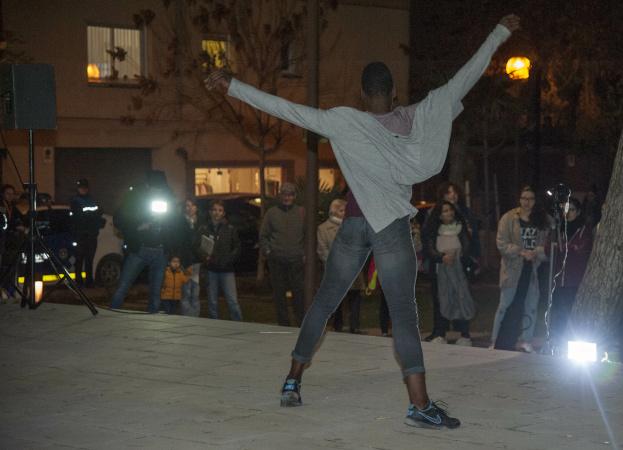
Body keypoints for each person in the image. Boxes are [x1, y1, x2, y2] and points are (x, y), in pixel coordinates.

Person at [205, 14, 519, 430]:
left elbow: (286, 109)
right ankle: (419, 406)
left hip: (353, 225)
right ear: (391, 93)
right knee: (404, 315)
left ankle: (291, 382)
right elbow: (468, 75)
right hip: (390, 229)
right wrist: (498, 33)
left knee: (324, 303)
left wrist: (232, 86)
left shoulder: (343, 121)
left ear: (361, 94)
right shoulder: (420, 118)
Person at [109, 170, 181, 313]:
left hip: (161, 252)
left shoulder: (169, 198)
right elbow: (118, 220)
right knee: (123, 286)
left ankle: (151, 325)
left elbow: (176, 226)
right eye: (155, 189)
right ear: (148, 185)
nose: (158, 192)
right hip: (139, 251)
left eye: (160, 189)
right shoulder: (135, 197)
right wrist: (138, 226)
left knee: (155, 294)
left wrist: (165, 227)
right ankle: (110, 317)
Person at [490, 186, 549, 352]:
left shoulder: (544, 220)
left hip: (534, 270)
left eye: (530, 199)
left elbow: (548, 246)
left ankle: (526, 340)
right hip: (513, 269)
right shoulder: (509, 218)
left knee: (531, 306)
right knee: (505, 305)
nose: (527, 202)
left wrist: (535, 252)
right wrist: (519, 251)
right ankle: (496, 340)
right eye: (524, 198)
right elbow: (501, 243)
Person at [423, 180, 481, 342]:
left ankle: (463, 334)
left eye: (454, 191)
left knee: (461, 296)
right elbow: (428, 241)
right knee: (441, 298)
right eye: (448, 192)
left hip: (459, 266)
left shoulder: (464, 216)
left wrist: (468, 258)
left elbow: (471, 240)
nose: (452, 194)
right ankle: (439, 332)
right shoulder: (433, 218)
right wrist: (438, 257)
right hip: (440, 266)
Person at [544, 197, 593, 344]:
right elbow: (548, 249)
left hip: (576, 281)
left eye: (571, 209)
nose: (568, 213)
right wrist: (570, 248)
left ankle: (573, 344)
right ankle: (558, 344)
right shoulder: (558, 229)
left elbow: (582, 252)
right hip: (559, 282)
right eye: (565, 209)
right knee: (560, 314)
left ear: (578, 212)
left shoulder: (584, 231)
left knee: (575, 315)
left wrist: (562, 248)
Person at [258, 182, 305, 327]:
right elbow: (263, 235)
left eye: (290, 195)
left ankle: (301, 322)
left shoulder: (302, 212)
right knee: (279, 294)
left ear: (294, 196)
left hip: (296, 260)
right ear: (280, 195)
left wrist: (305, 253)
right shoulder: (272, 213)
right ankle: (284, 324)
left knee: (298, 294)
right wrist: (268, 250)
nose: (287, 197)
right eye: (284, 194)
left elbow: (309, 234)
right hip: (277, 259)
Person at [318, 199, 366, 334]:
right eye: (341, 210)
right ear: (334, 211)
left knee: (355, 298)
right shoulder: (323, 229)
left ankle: (355, 327)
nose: (344, 212)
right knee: (337, 301)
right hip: (337, 272)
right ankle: (337, 326)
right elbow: (323, 251)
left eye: (345, 210)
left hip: (353, 270)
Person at [197, 199, 243, 321]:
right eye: (214, 210)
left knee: (232, 301)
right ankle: (214, 326)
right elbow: (198, 247)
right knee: (212, 301)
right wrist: (204, 255)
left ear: (224, 213)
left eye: (220, 210)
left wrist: (229, 259)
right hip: (211, 269)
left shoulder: (230, 229)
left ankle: (240, 326)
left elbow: (237, 248)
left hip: (227, 270)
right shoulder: (204, 229)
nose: (217, 213)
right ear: (210, 212)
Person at [69, 179, 105, 288]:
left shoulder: (92, 200)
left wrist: (89, 215)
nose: (83, 189)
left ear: (87, 188)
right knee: (79, 260)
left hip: (91, 235)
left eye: (85, 187)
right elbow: (77, 218)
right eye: (81, 187)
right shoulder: (75, 201)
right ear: (78, 188)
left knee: (89, 260)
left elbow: (100, 212)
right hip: (80, 235)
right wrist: (90, 215)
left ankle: (89, 282)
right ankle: (79, 282)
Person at [0, 184, 27, 295]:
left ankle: (6, 290)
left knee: (9, 266)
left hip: (8, 242)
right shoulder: (2, 205)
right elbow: (4, 223)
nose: (11, 196)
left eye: (12, 194)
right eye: (8, 194)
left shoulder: (11, 206)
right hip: (2, 241)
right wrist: (16, 227)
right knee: (4, 266)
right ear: (3, 194)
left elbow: (21, 216)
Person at [181, 197, 206, 317]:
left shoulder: (201, 222)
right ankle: (186, 318)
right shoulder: (180, 221)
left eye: (192, 205)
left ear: (197, 207)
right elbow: (179, 242)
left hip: (197, 261)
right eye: (187, 205)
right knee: (185, 292)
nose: (190, 208)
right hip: (185, 261)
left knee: (195, 293)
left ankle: (195, 318)